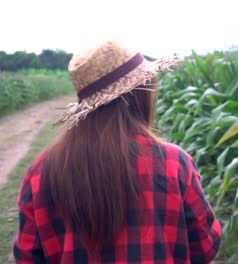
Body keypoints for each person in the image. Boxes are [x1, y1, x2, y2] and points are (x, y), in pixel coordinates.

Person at [13, 40, 222, 263]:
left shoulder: (41, 173)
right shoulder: (174, 163)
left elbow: (28, 256)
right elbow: (205, 247)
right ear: (142, 95)